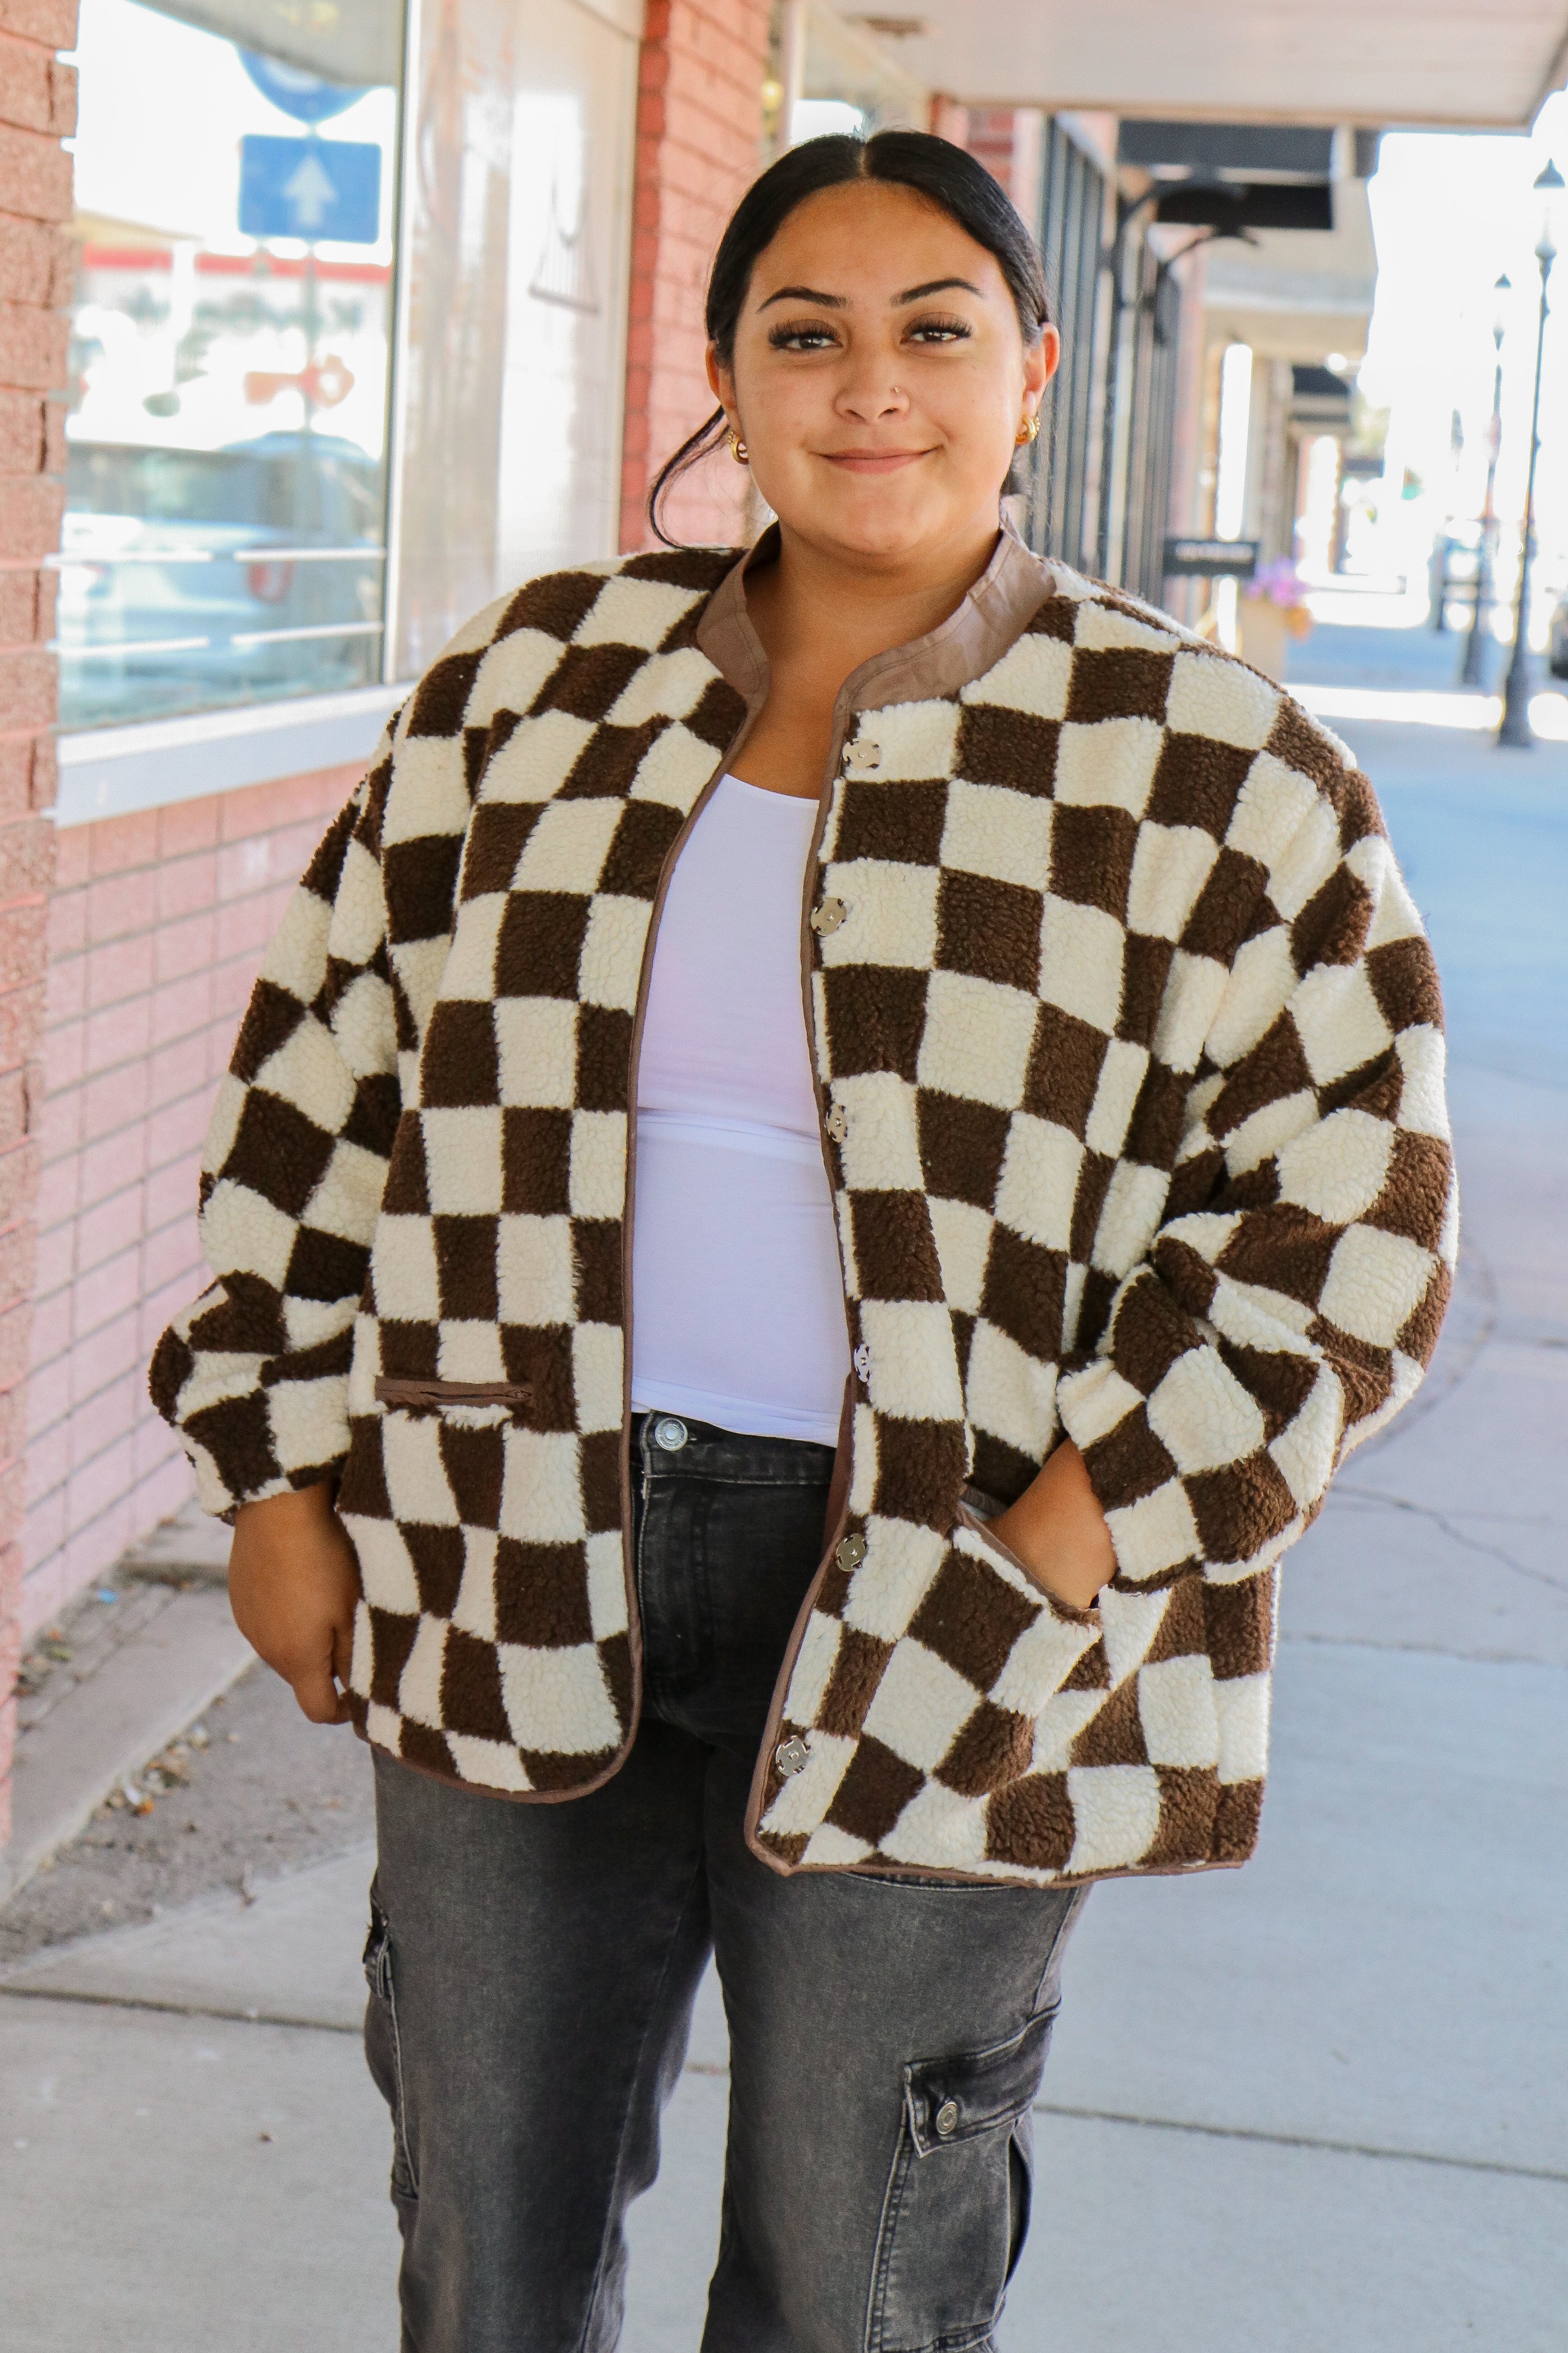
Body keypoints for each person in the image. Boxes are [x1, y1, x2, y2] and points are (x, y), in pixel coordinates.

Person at [151, 131, 1455, 2353]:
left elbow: (1351, 1213)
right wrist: (272, 1474)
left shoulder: (1208, 767)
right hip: (500, 1540)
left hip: (946, 1591)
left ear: (1032, 374)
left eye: (933, 332)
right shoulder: (527, 692)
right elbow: (321, 1089)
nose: (873, 389)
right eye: (806, 334)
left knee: (862, 2257)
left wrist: (1084, 1524)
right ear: (722, 374)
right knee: (483, 2227)